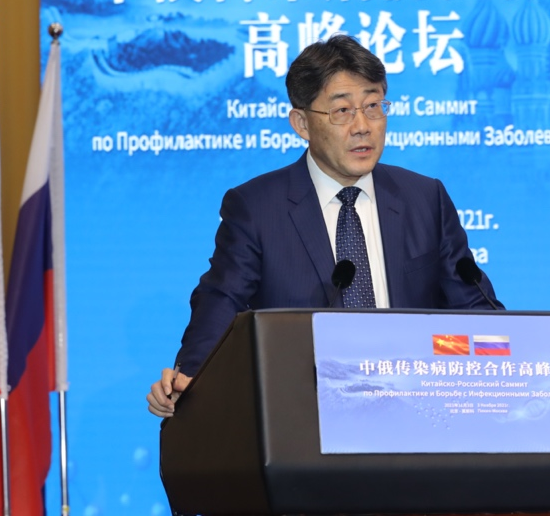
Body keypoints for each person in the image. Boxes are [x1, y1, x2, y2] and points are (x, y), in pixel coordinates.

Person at [147, 35, 502, 417]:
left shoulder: (424, 198)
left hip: (417, 414)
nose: (363, 126)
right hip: (304, 417)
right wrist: (191, 379)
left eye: (373, 106)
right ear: (302, 123)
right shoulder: (256, 208)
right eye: (342, 111)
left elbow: (474, 309)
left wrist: (504, 362)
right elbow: (222, 302)